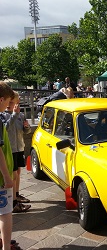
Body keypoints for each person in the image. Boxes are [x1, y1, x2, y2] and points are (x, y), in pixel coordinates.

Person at [0, 92, 31, 213]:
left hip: (19, 148)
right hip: (10, 150)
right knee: (13, 175)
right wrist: (13, 115)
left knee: (17, 172)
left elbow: (26, 131)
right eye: (9, 102)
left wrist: (27, 127)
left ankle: (16, 195)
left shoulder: (20, 115)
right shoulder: (4, 115)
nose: (10, 105)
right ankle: (13, 201)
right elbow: (5, 129)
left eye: (13, 102)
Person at [0, 82, 21, 250]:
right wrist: (7, 177)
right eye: (8, 101)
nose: (9, 105)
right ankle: (6, 246)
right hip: (1, 178)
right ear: (1, 100)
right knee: (5, 213)